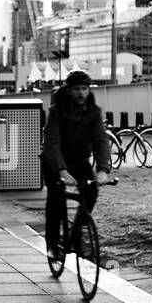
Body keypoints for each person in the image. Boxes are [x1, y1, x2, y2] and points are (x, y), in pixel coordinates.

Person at [40, 69, 112, 258]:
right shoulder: (56, 112)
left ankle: (77, 230)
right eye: (77, 89)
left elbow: (100, 141)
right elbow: (52, 143)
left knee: (91, 191)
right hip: (54, 162)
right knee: (56, 200)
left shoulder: (94, 112)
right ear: (69, 90)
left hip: (80, 161)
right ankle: (53, 245)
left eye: (84, 89)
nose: (81, 93)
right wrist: (62, 171)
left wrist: (103, 169)